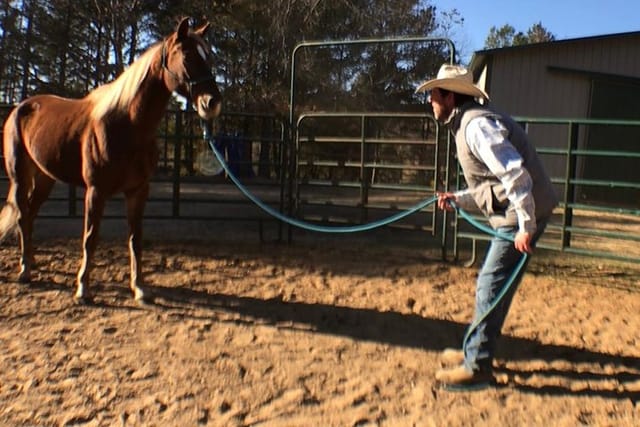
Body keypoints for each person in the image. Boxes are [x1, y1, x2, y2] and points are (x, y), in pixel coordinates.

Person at [416, 64, 558, 389]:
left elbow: (515, 174)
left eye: (433, 95)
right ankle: (474, 352)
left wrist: (526, 225)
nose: (430, 101)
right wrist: (458, 198)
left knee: (489, 286)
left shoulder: (477, 127)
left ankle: (477, 366)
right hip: (523, 211)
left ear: (449, 97)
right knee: (494, 287)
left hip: (520, 216)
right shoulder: (470, 122)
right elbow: (490, 184)